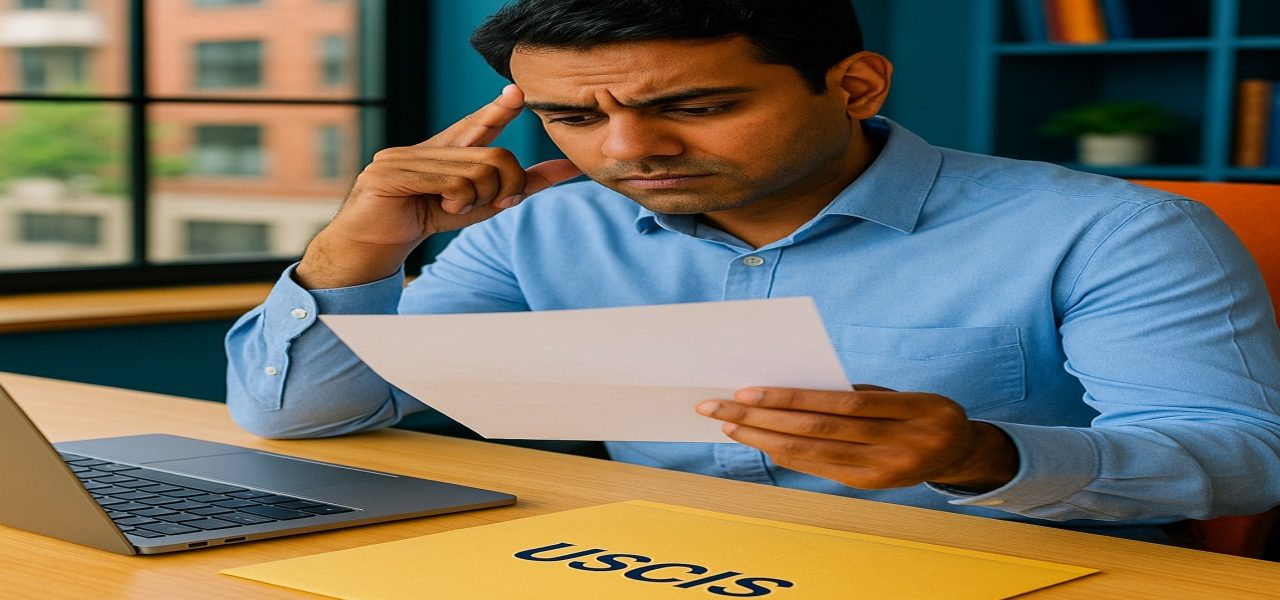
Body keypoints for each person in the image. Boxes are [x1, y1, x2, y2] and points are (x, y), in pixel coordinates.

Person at [225, 0, 1280, 544]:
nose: (628, 151)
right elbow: (306, 420)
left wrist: (982, 455)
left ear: (854, 84)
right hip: (654, 562)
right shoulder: (535, 232)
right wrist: (357, 247)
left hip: (1005, 569)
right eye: (573, 115)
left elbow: (1242, 459)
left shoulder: (1116, 230)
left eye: (692, 105)